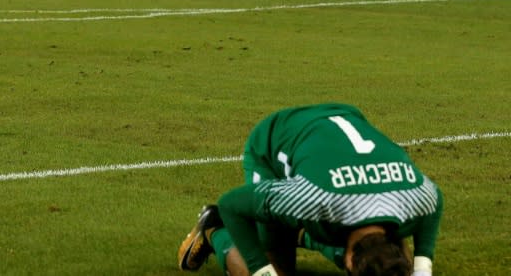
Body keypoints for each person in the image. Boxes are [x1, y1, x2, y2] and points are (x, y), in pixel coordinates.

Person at [178, 103, 443, 276]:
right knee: (275, 267)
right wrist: (262, 271)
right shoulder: (311, 199)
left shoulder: (414, 197)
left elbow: (436, 200)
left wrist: (422, 268)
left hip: (342, 118)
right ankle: (215, 231)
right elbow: (232, 204)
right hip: (275, 142)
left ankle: (299, 233)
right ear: (349, 262)